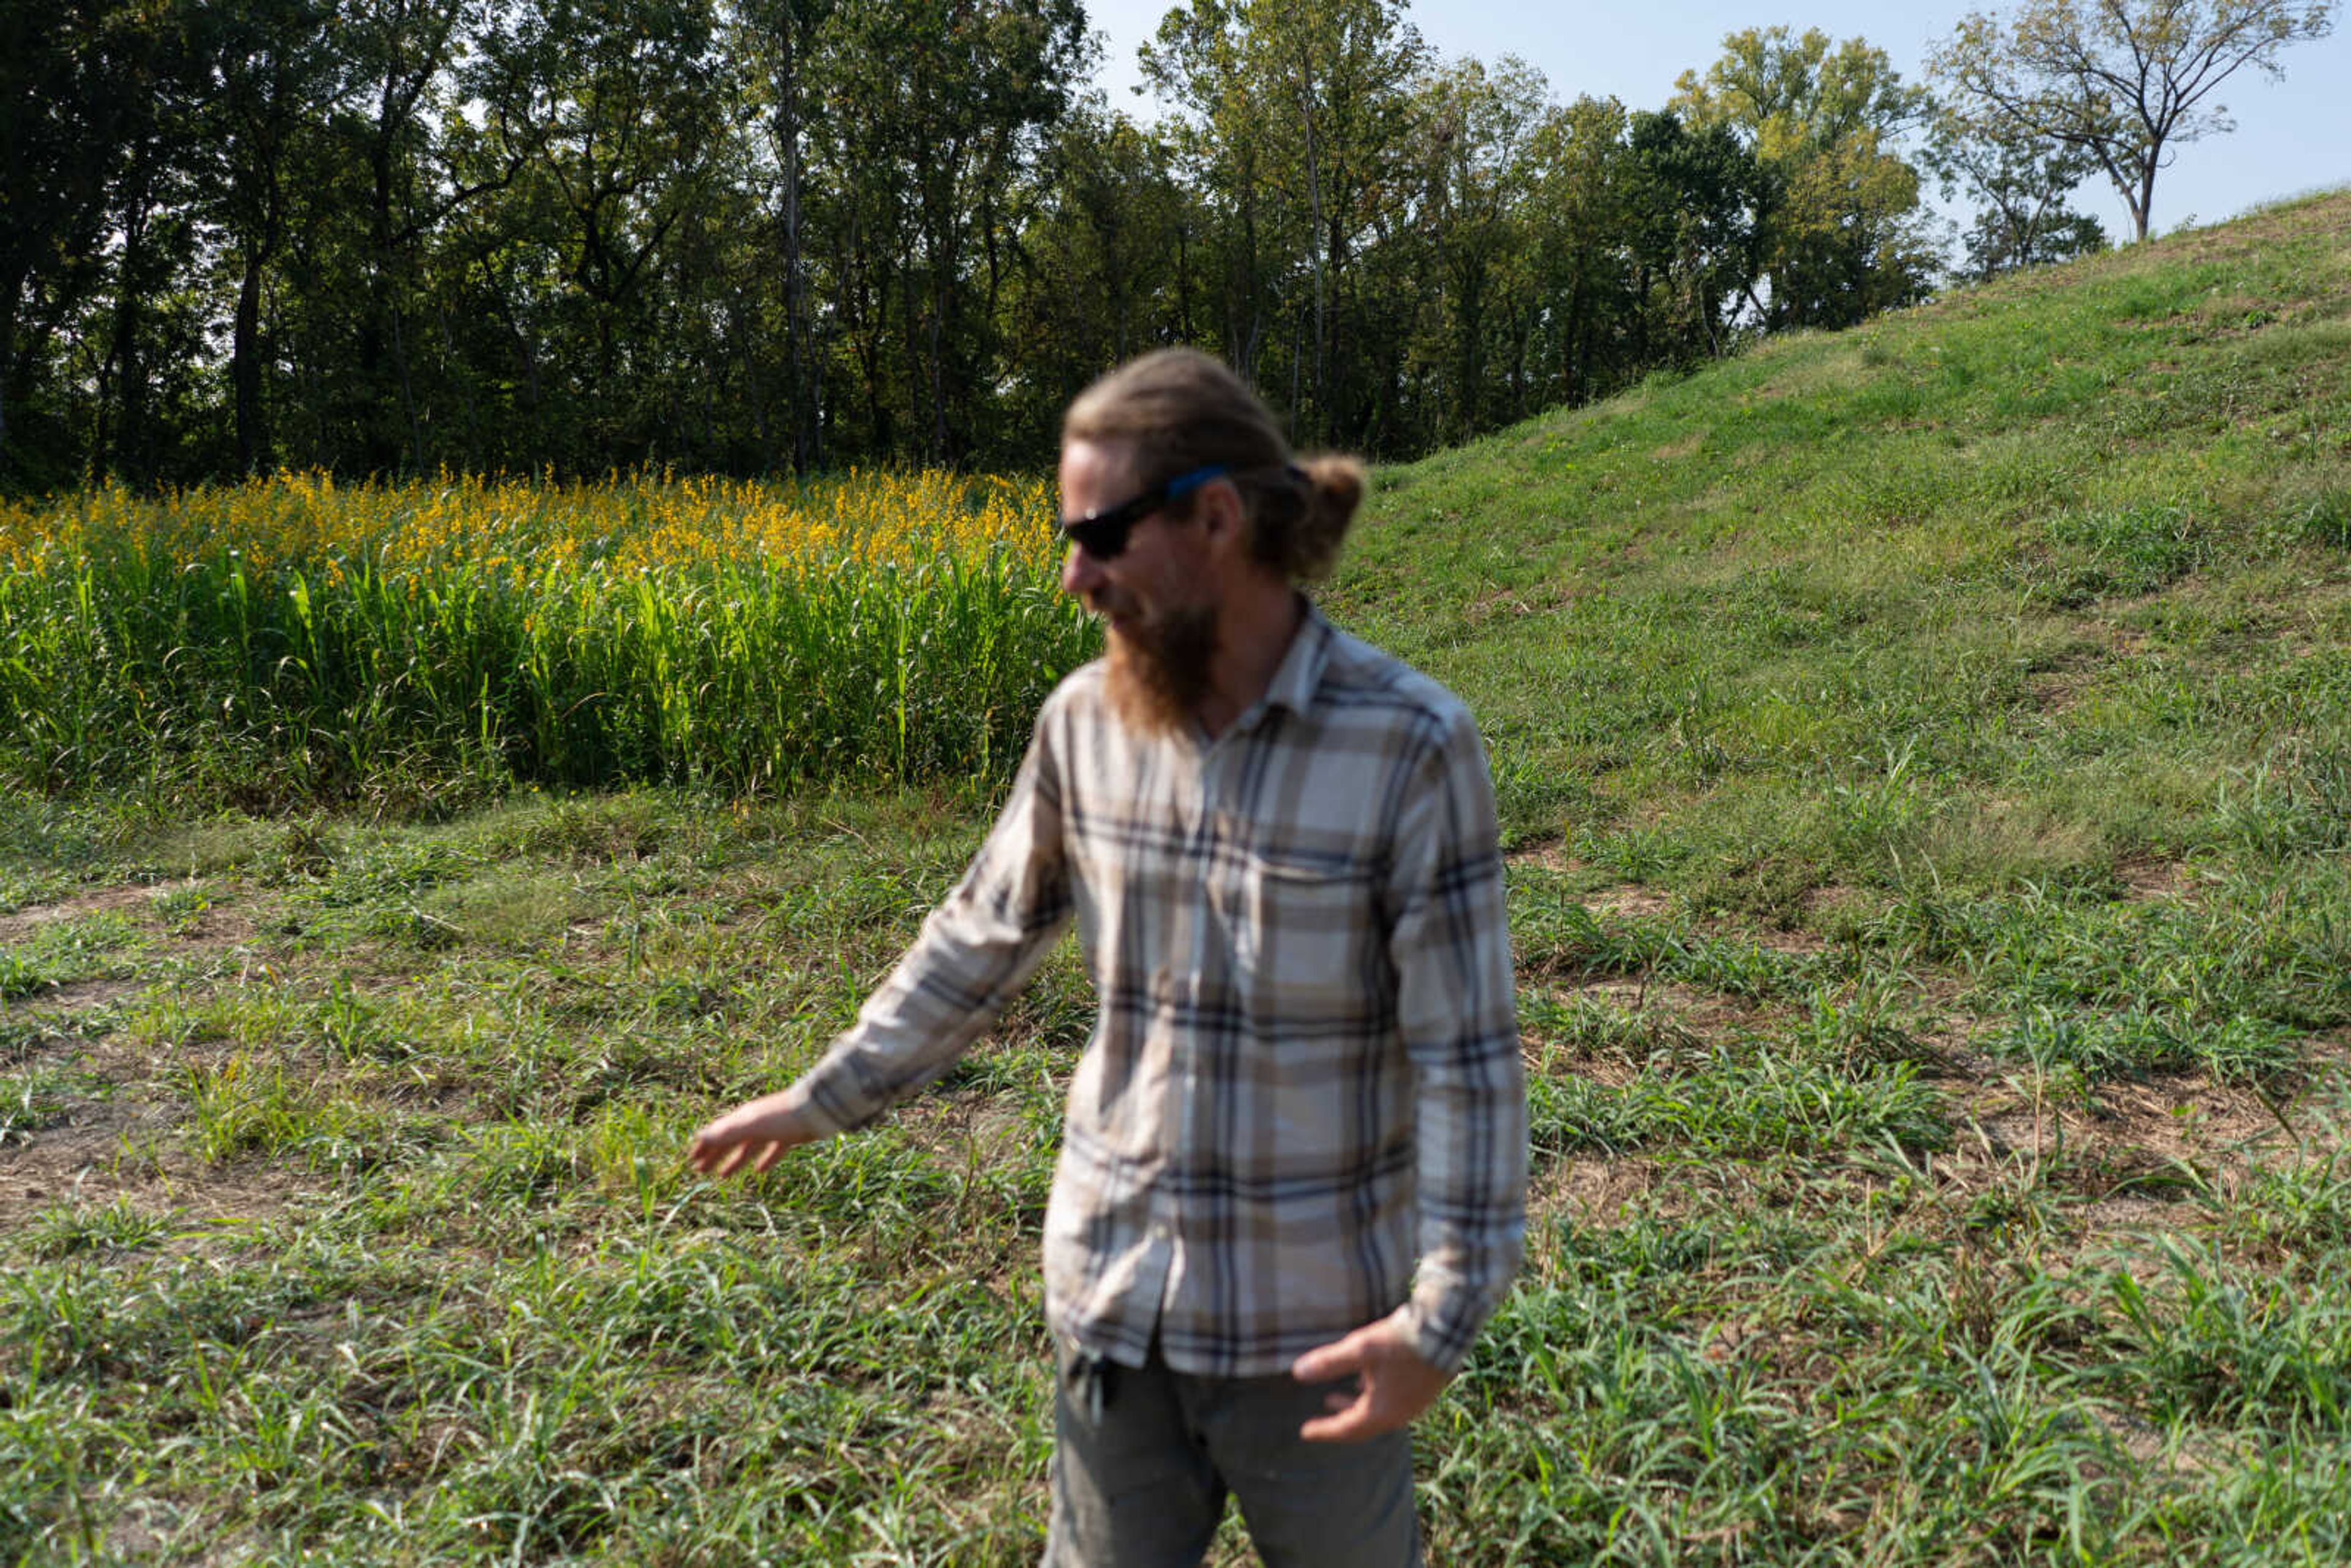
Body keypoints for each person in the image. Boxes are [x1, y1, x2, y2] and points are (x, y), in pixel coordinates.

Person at [686, 347, 1525, 1567]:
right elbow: (980, 934)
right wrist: (829, 1093)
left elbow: (1469, 1064)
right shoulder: (1084, 725)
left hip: (1320, 1338)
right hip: (1116, 1311)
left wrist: (1440, 1324)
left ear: (1218, 519)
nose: (1073, 575)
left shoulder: (1410, 748)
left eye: (1103, 536)